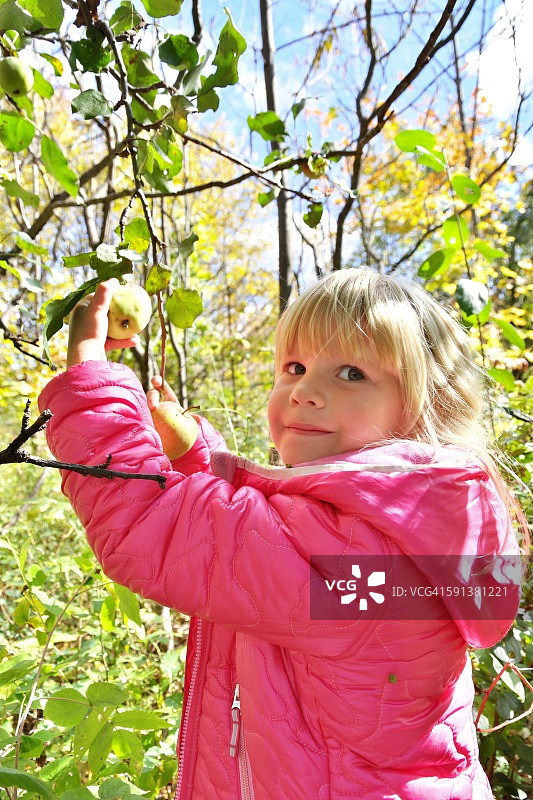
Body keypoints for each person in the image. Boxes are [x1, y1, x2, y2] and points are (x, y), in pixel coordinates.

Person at [38, 269, 524, 800]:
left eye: (352, 374)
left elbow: (152, 524)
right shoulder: (408, 527)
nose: (305, 392)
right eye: (294, 367)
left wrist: (91, 380)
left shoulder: (357, 554)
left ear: (424, 406)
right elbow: (258, 545)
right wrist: (190, 454)